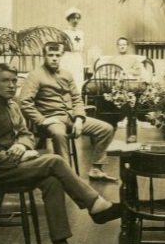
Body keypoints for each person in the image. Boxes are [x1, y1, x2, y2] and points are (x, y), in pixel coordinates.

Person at [0, 65, 122, 244]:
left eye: (14, 81)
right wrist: (19, 157)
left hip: (10, 165)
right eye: (5, 80)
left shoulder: (12, 106)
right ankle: (95, 204)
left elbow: (26, 134)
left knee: (52, 180)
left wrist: (22, 147)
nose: (11, 85)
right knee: (55, 160)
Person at [18, 42, 117, 182]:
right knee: (59, 134)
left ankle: (96, 168)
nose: (54, 58)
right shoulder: (35, 75)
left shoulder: (67, 74)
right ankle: (66, 175)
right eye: (50, 55)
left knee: (106, 129)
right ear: (44, 56)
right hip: (51, 120)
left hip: (71, 118)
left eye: (57, 55)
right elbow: (24, 102)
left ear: (61, 56)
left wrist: (78, 118)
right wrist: (42, 120)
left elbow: (77, 98)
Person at [60, 7, 87, 87]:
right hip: (67, 58)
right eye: (73, 18)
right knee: (67, 79)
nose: (75, 20)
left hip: (77, 59)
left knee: (77, 80)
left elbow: (81, 47)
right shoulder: (64, 33)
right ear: (69, 19)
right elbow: (63, 47)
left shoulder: (81, 33)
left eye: (77, 18)